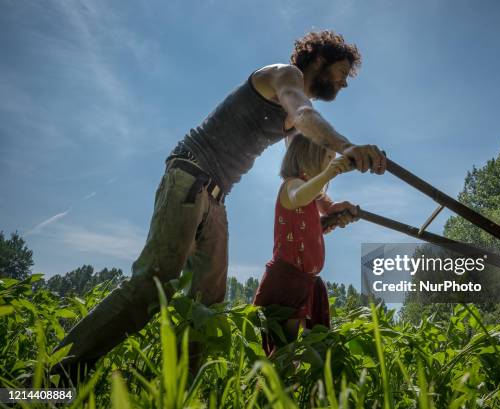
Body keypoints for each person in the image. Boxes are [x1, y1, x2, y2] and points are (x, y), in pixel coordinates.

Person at [51, 29, 387, 384]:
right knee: (153, 283)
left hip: (216, 196)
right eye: (341, 71)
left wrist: (330, 208)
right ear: (319, 59)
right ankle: (50, 381)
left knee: (207, 306)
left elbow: (301, 169)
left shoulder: (298, 112)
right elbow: (303, 112)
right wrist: (348, 146)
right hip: (189, 174)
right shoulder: (285, 77)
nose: (343, 82)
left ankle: (178, 391)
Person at [253, 135, 355, 355]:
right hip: (286, 280)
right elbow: (299, 196)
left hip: (302, 280)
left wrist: (333, 215)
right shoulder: (292, 185)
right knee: (284, 351)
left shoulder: (310, 196)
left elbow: (307, 224)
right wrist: (329, 174)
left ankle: (297, 385)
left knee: (304, 349)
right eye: (328, 158)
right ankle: (273, 386)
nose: (330, 164)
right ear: (308, 156)